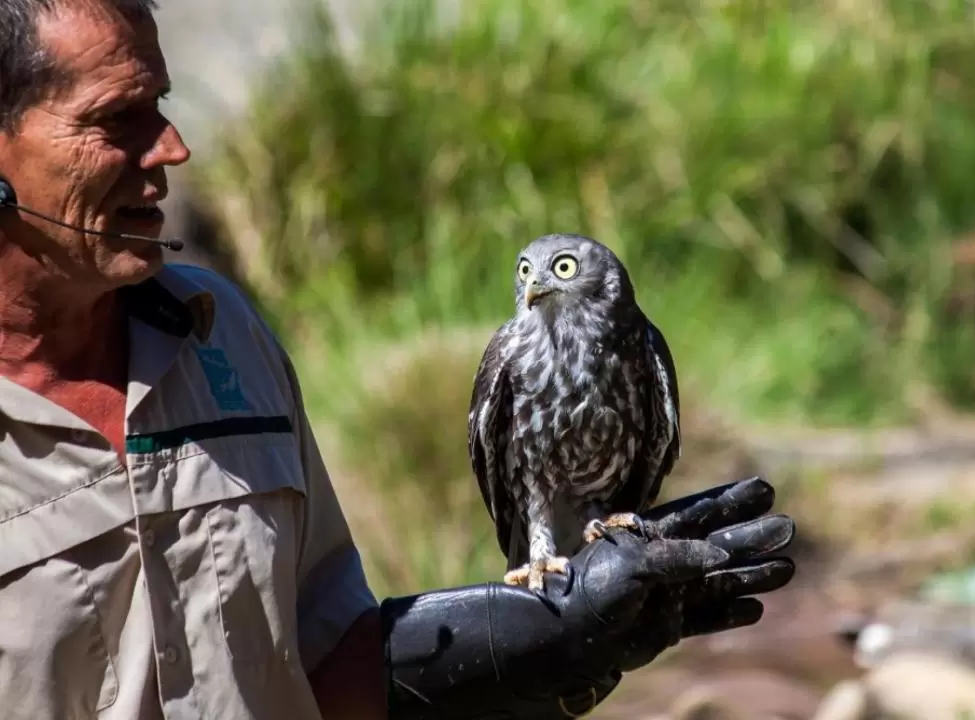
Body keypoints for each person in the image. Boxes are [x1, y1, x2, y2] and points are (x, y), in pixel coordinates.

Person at [0, 1, 798, 718]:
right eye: (117, 119)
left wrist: (535, 641)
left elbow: (323, 654)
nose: (171, 147)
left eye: (163, 107)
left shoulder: (221, 335)